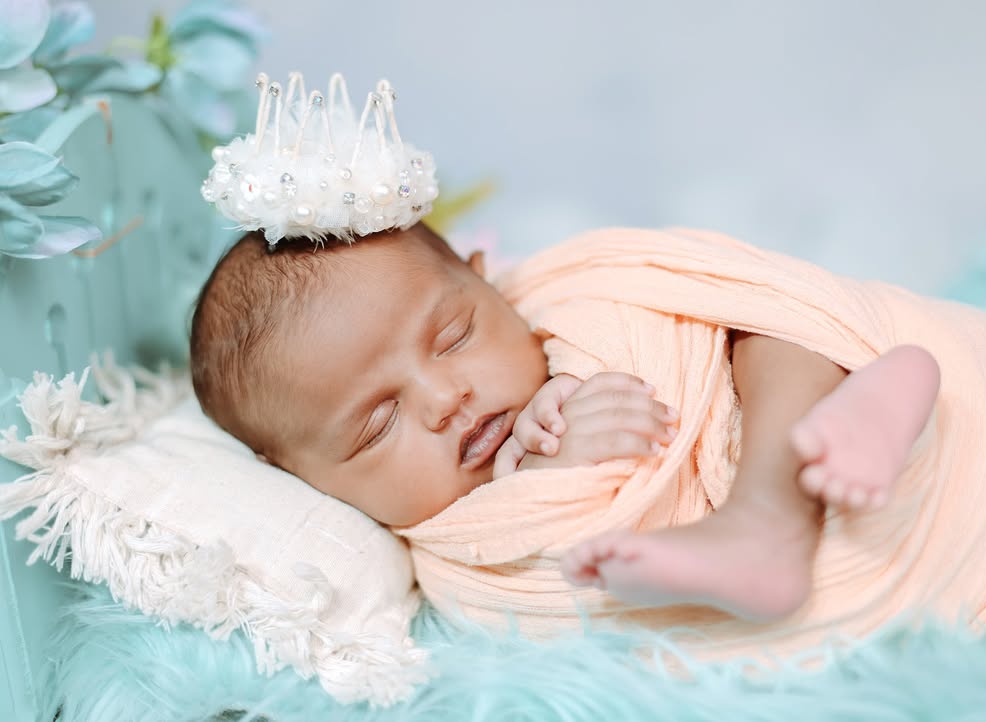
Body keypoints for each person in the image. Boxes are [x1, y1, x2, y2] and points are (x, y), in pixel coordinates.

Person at [190, 219, 940, 622]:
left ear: (487, 283)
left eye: (453, 336)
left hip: (754, 392)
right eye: (377, 424)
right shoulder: (452, 555)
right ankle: (793, 491)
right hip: (739, 492)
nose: (444, 398)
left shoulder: (559, 305)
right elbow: (537, 564)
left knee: (766, 329)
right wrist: (550, 474)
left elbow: (668, 312)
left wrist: (582, 371)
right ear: (301, 477)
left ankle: (813, 457)